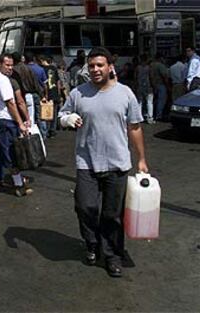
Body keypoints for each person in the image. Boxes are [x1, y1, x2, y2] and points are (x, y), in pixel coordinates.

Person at [59, 47, 148, 278]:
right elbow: (61, 116)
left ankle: (112, 255)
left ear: (110, 67)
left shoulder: (125, 93)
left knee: (112, 214)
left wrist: (142, 160)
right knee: (85, 206)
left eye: (100, 65)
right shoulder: (78, 93)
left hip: (117, 163)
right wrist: (67, 119)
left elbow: (135, 127)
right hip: (86, 161)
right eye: (91, 66)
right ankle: (91, 242)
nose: (95, 69)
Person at [0, 53, 32, 197]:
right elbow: (11, 103)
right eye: (7, 65)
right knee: (12, 154)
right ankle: (19, 185)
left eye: (11, 65)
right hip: (6, 120)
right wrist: (20, 122)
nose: (10, 68)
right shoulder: (2, 79)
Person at [39, 55, 62, 138]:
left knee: (45, 113)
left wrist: (44, 94)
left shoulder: (42, 69)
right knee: (54, 113)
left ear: (42, 60)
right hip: (54, 92)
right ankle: (52, 130)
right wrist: (59, 93)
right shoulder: (54, 68)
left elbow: (43, 83)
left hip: (46, 93)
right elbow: (58, 81)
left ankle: (46, 130)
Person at [135, 54, 154, 123]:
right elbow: (151, 77)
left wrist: (136, 86)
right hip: (148, 87)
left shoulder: (137, 68)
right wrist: (153, 86)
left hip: (140, 87)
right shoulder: (149, 68)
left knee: (139, 103)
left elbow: (135, 78)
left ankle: (139, 117)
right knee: (149, 103)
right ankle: (150, 118)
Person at [150, 53, 169, 121]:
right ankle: (159, 115)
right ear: (161, 58)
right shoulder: (161, 65)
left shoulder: (151, 65)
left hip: (153, 84)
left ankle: (153, 113)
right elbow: (165, 76)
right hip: (161, 84)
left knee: (154, 101)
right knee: (161, 101)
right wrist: (167, 85)